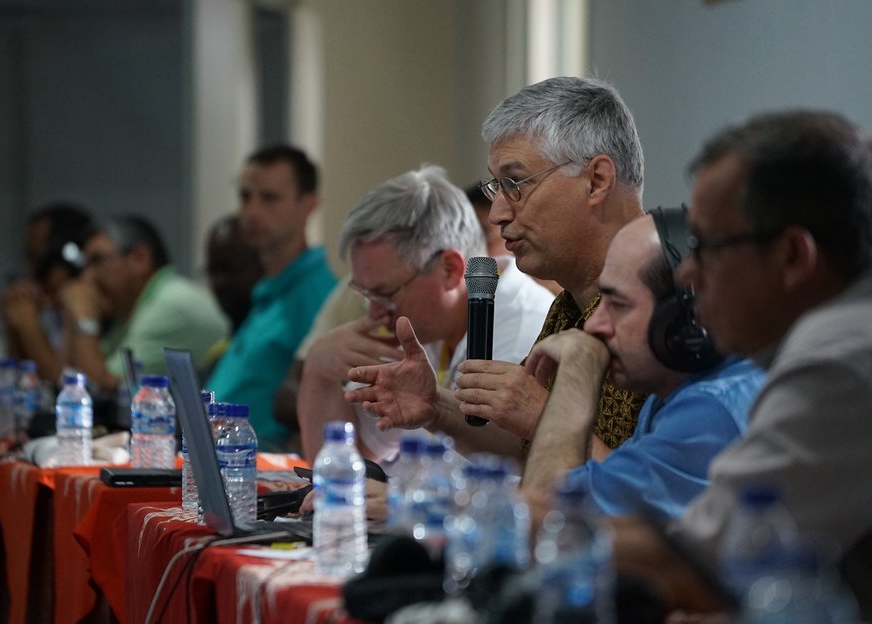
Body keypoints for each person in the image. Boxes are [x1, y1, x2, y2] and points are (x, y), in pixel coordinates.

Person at [610, 111, 872, 620]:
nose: (686, 274)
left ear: (793, 256)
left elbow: (704, 564)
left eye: (707, 247)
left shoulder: (842, 359)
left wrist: (522, 527)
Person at [346, 77, 647, 463]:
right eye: (497, 188)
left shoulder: (666, 306)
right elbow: (527, 449)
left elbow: (653, 491)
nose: (498, 214)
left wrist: (543, 416)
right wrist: (437, 407)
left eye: (516, 183)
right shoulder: (569, 305)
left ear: (596, 180)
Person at [298, 165, 554, 464]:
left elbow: (487, 479)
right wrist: (319, 371)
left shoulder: (524, 331)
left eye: (385, 293)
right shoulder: (423, 324)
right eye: (367, 294)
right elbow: (349, 461)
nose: (375, 311)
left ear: (450, 269)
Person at [520, 210, 764, 520]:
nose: (594, 325)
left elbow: (545, 517)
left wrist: (576, 376)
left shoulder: (712, 409)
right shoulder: (673, 389)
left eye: (617, 304)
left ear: (686, 321)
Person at [204, 145, 336, 452]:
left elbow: (322, 404)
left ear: (309, 205)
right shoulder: (268, 289)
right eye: (245, 197)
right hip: (221, 455)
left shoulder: (319, 294)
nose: (252, 212)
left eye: (270, 198)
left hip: (260, 463)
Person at [61, 214, 229, 392]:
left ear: (140, 258)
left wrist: (84, 318)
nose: (86, 278)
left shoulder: (169, 305)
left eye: (97, 261)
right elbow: (66, 377)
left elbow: (101, 388)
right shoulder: (134, 306)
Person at [0, 202, 92, 385]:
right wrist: (14, 329)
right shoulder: (54, 311)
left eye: (39, 261)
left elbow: (62, 384)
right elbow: (22, 383)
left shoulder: (87, 309)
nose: (30, 272)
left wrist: (29, 326)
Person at [200, 213, 265, 370]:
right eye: (214, 271)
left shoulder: (275, 340)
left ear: (264, 263)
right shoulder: (221, 352)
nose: (221, 282)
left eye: (231, 268)